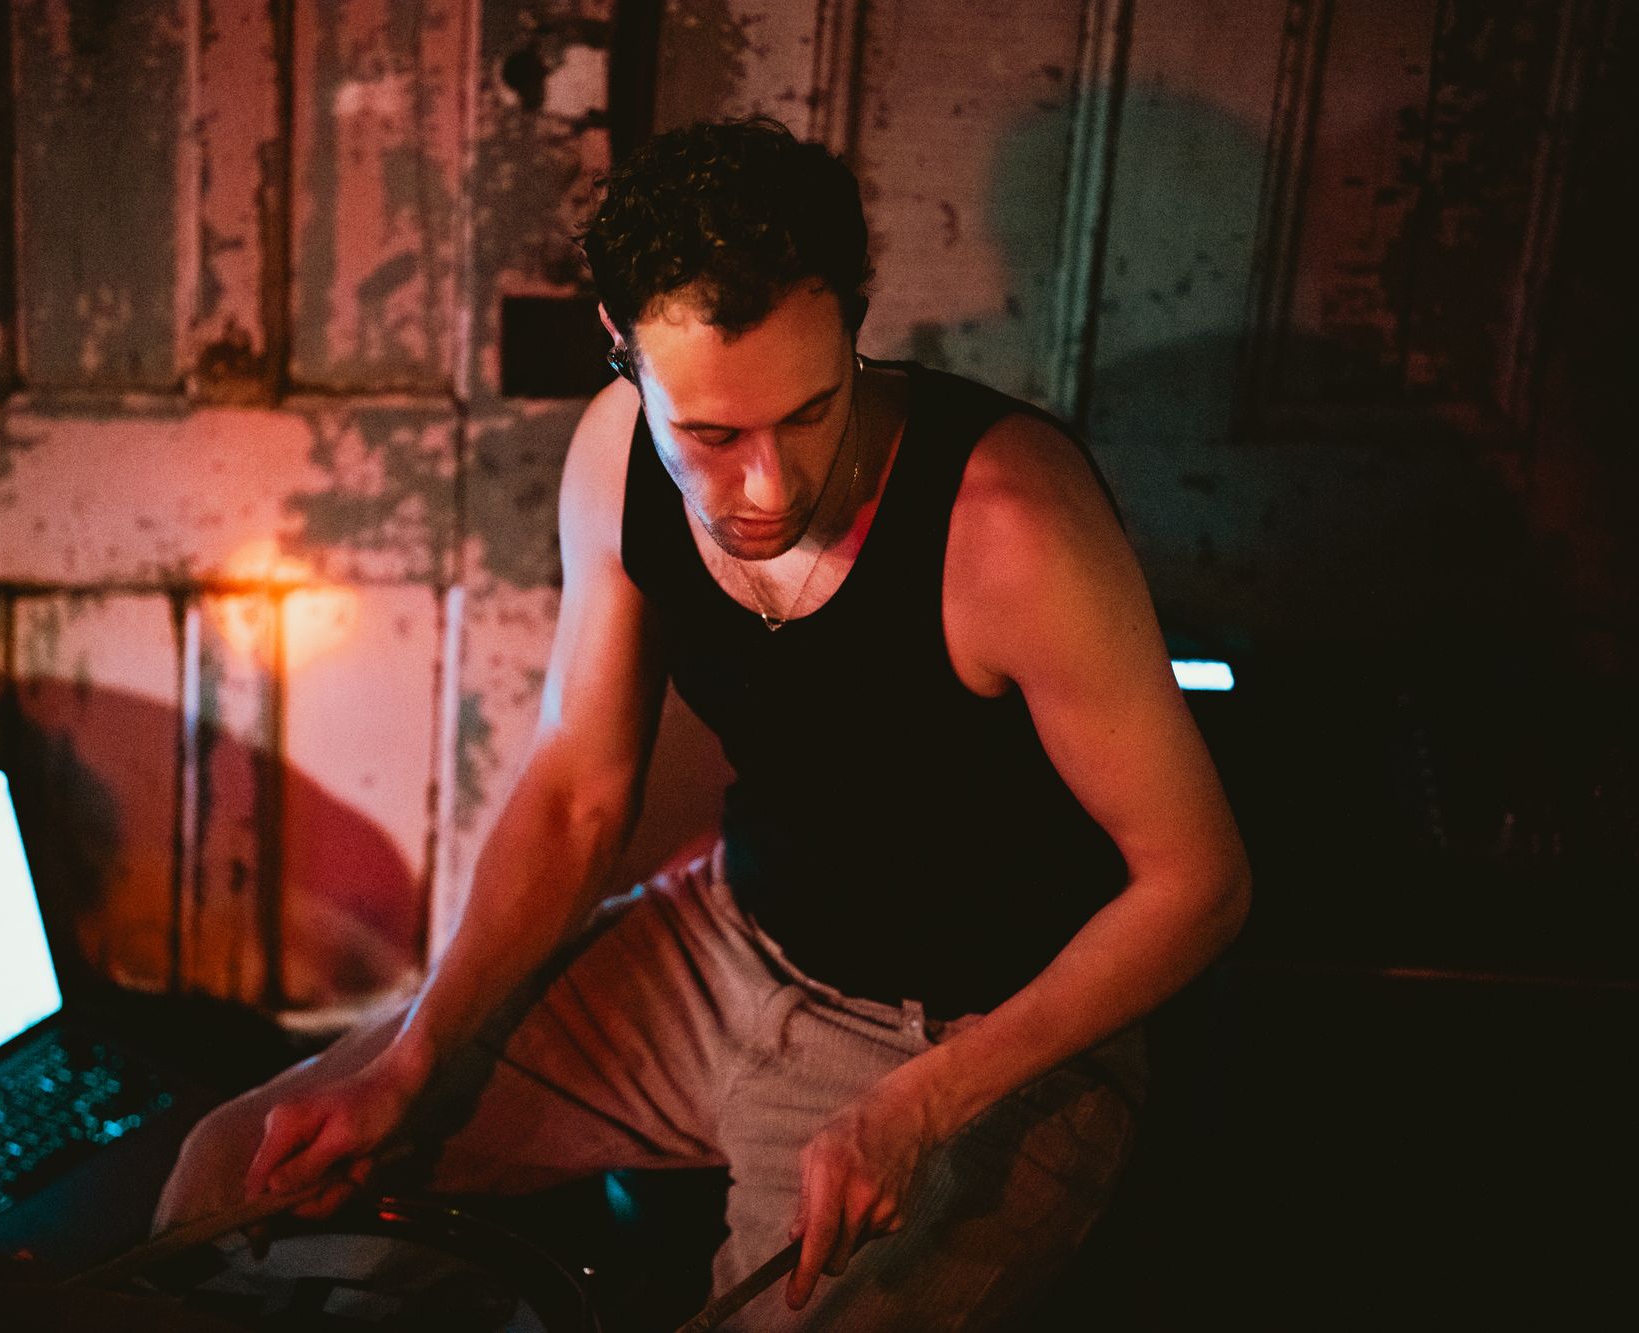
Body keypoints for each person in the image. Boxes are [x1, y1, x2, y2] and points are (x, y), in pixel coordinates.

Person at [154, 118, 1250, 1328]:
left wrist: (927, 1102)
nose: (767, 486)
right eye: (712, 436)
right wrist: (412, 1057)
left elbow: (1198, 885)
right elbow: (578, 793)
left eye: (810, 411)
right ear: (622, 349)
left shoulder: (1008, 523)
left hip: (978, 1037)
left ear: (853, 323)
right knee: (232, 1172)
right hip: (724, 940)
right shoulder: (611, 451)